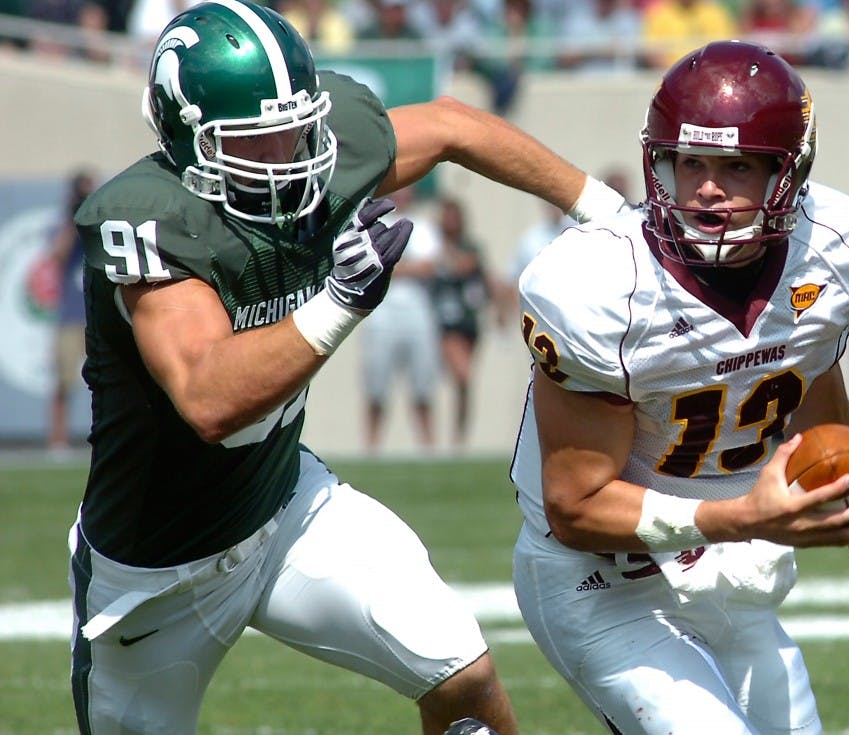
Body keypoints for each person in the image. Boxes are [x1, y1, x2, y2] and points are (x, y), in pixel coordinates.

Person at [66, 2, 627, 734]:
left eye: (297, 126)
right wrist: (337, 302)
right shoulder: (153, 220)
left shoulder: (324, 147)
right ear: (188, 138)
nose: (294, 152)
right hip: (156, 576)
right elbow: (208, 398)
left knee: (463, 676)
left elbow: (457, 124)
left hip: (283, 505)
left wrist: (608, 213)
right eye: (259, 140)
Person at [509, 41, 849, 735]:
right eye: (691, 164)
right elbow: (576, 508)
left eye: (736, 166)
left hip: (725, 573)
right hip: (604, 581)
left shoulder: (828, 248)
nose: (707, 189)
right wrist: (740, 519)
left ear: (787, 174)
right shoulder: (601, 289)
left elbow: (825, 430)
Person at [360, 185, 443, 451]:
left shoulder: (424, 227)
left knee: (422, 387)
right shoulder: (375, 224)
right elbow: (369, 266)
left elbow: (428, 267)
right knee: (376, 387)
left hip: (418, 315)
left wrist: (392, 267)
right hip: (381, 315)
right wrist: (404, 268)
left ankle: (428, 448)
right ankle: (371, 448)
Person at [430, 197, 495, 447]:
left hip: (468, 321)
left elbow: (476, 273)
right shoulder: (432, 245)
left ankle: (459, 439)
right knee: (462, 376)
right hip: (444, 323)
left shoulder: (471, 247)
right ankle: (447, 439)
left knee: (464, 383)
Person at [47, 168, 94, 451]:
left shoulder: (99, 220)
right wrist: (72, 220)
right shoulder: (63, 223)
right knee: (63, 381)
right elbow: (56, 256)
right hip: (70, 315)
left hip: (96, 314)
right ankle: (58, 441)